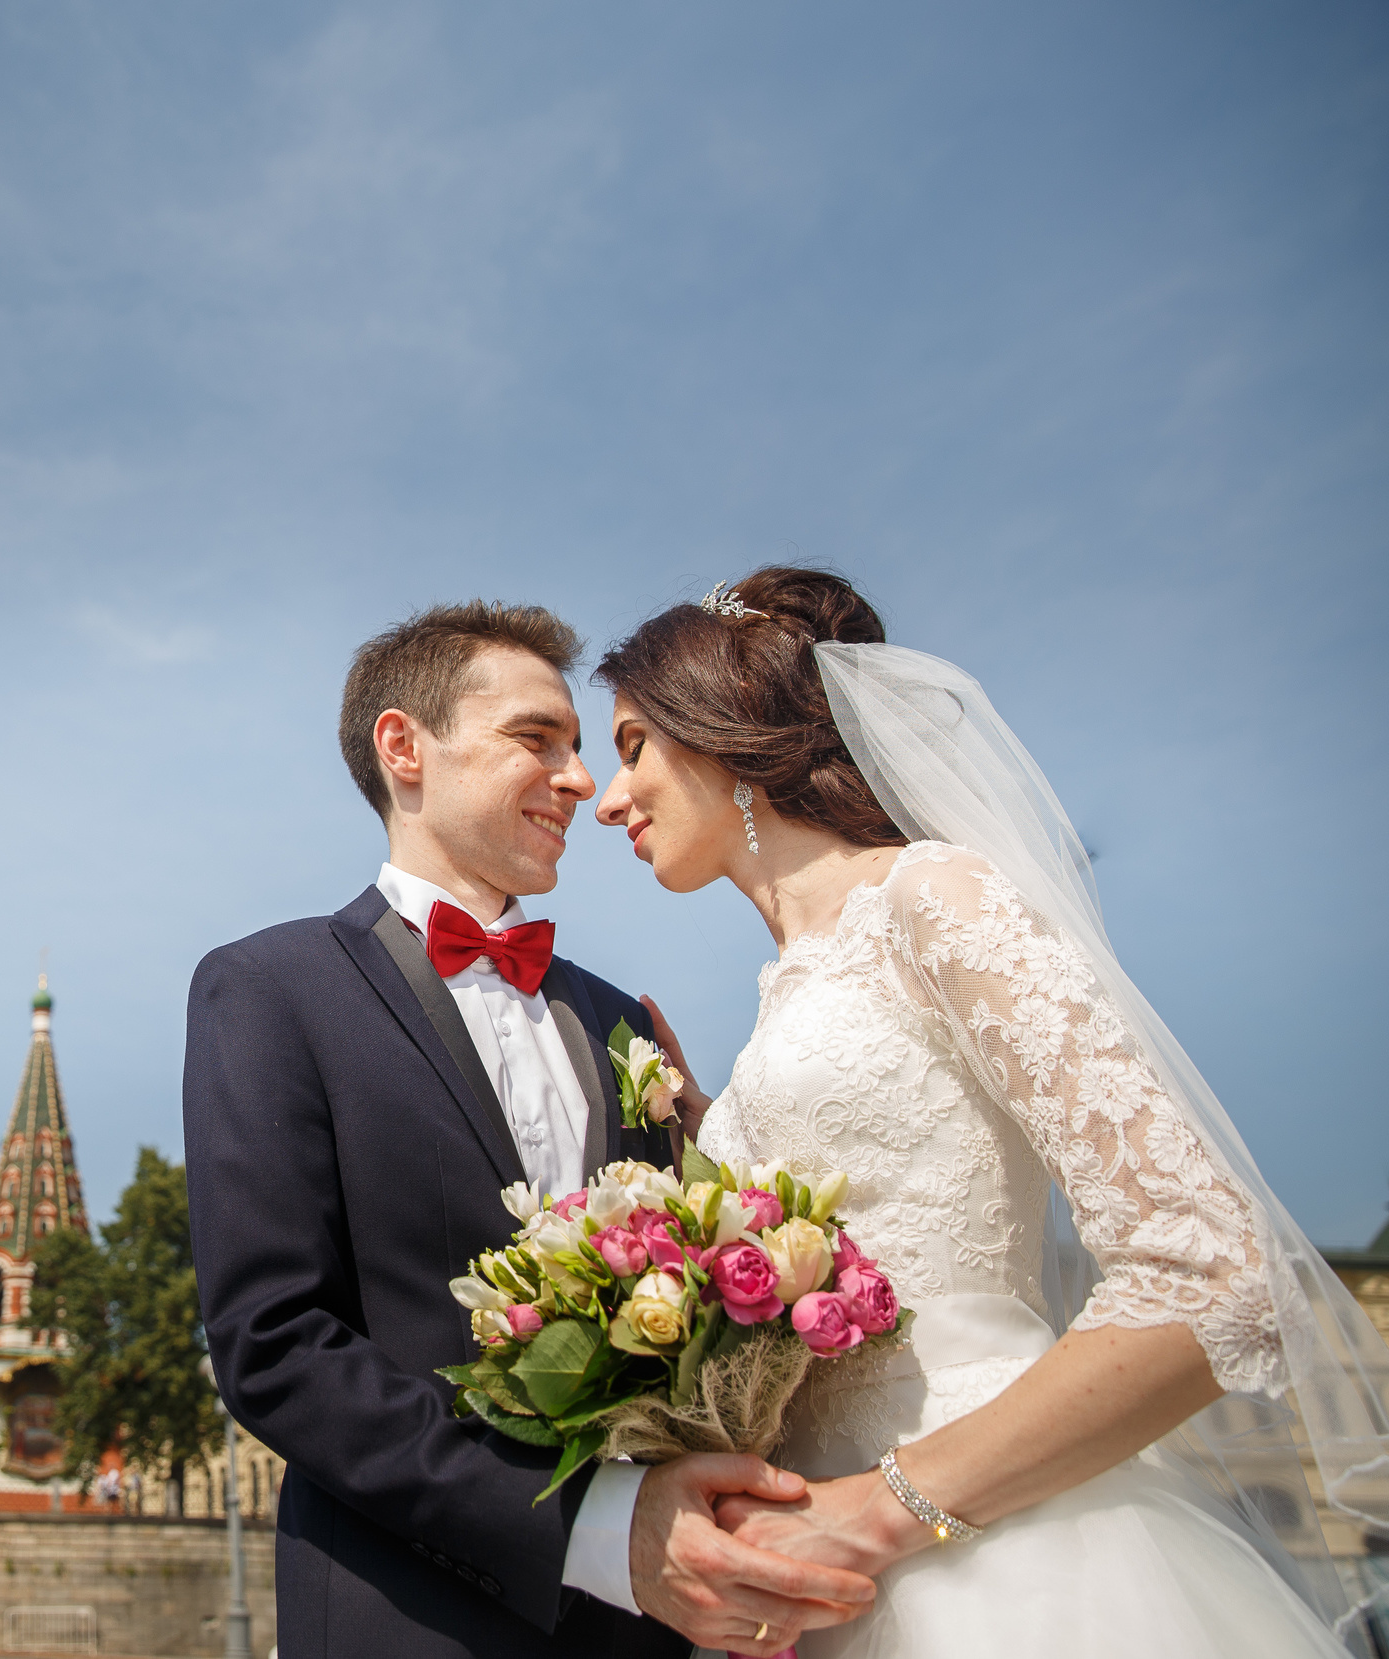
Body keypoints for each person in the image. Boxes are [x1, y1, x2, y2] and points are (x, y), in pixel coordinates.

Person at [589, 566, 1378, 1655]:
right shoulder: (785, 989)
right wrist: (708, 1129)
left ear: (719, 732)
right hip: (801, 1571)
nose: (604, 796)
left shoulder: (933, 897)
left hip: (988, 1554)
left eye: (631, 746)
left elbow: (1214, 1273)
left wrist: (878, 1516)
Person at [186, 602, 878, 1659]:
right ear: (403, 747)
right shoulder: (269, 990)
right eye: (535, 740)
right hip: (402, 1615)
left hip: (653, 1629)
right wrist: (588, 1529)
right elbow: (275, 1346)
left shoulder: (620, 1023)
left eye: (581, 749)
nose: (578, 782)